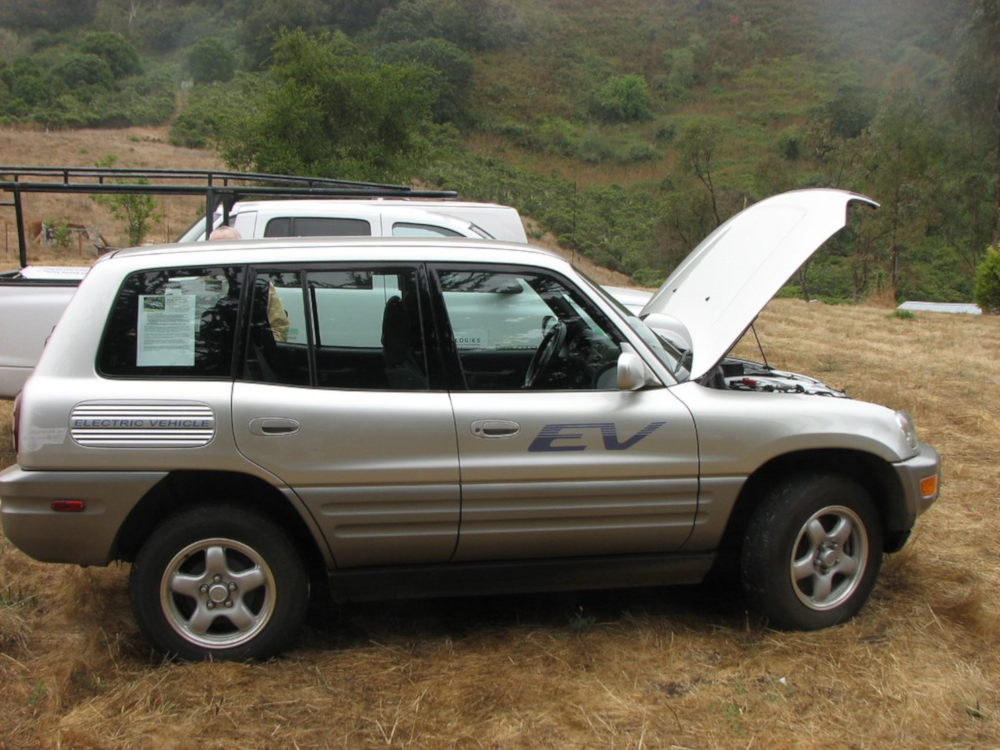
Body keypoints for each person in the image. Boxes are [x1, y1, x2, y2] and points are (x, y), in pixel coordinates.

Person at [209, 225, 290, 342]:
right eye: (218, 249)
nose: (224, 254)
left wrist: (259, 347)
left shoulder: (258, 285)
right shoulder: (196, 285)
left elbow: (279, 328)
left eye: (230, 248)